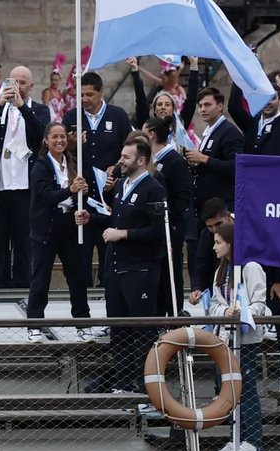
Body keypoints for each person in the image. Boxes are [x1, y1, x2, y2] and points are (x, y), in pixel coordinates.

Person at [190, 221, 269, 451]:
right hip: (225, 339)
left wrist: (243, 312)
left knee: (246, 389)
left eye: (218, 242)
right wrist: (225, 313)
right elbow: (215, 305)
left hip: (245, 339)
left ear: (231, 243)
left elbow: (260, 304)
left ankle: (253, 440)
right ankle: (235, 439)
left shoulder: (251, 267)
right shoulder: (220, 270)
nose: (213, 247)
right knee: (229, 390)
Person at [103, 134, 168, 399]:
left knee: (142, 329)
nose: (121, 161)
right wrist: (92, 219)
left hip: (141, 270)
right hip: (117, 267)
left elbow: (157, 230)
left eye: (126, 157)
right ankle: (122, 379)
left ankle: (146, 384)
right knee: (118, 328)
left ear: (141, 160)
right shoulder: (120, 187)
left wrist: (124, 235)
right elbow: (115, 220)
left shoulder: (154, 188)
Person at [25, 123, 92, 339]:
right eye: (55, 137)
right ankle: (34, 325)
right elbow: (47, 196)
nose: (60, 140)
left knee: (77, 277)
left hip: (69, 226)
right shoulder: (41, 166)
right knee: (41, 277)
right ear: (46, 140)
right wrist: (70, 190)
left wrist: (82, 193)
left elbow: (78, 196)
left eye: (62, 136)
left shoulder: (72, 163)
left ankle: (83, 324)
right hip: (45, 228)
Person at [0, 74, 44, 288]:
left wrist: (22, 107)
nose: (16, 87)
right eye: (12, 82)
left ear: (31, 85)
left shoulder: (38, 109)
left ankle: (21, 288)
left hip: (25, 188)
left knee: (23, 243)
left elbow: (42, 134)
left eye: (22, 82)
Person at [183, 85, 244, 289]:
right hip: (205, 210)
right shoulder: (209, 131)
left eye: (208, 105)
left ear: (220, 106)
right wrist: (196, 166)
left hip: (222, 209)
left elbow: (236, 166)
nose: (203, 109)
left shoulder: (228, 132)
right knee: (203, 259)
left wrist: (204, 159)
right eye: (200, 106)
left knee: (220, 260)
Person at [76, 69, 134, 277]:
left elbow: (130, 150)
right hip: (81, 200)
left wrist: (116, 171)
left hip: (109, 199)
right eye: (81, 94)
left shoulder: (117, 116)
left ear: (101, 92)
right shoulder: (72, 116)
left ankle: (106, 288)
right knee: (80, 255)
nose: (84, 99)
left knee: (107, 252)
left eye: (89, 94)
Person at [142, 116, 195, 310]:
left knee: (171, 271)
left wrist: (172, 220)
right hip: (155, 228)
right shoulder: (151, 161)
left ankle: (174, 312)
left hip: (171, 228)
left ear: (152, 135)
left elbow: (184, 193)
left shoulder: (174, 160)